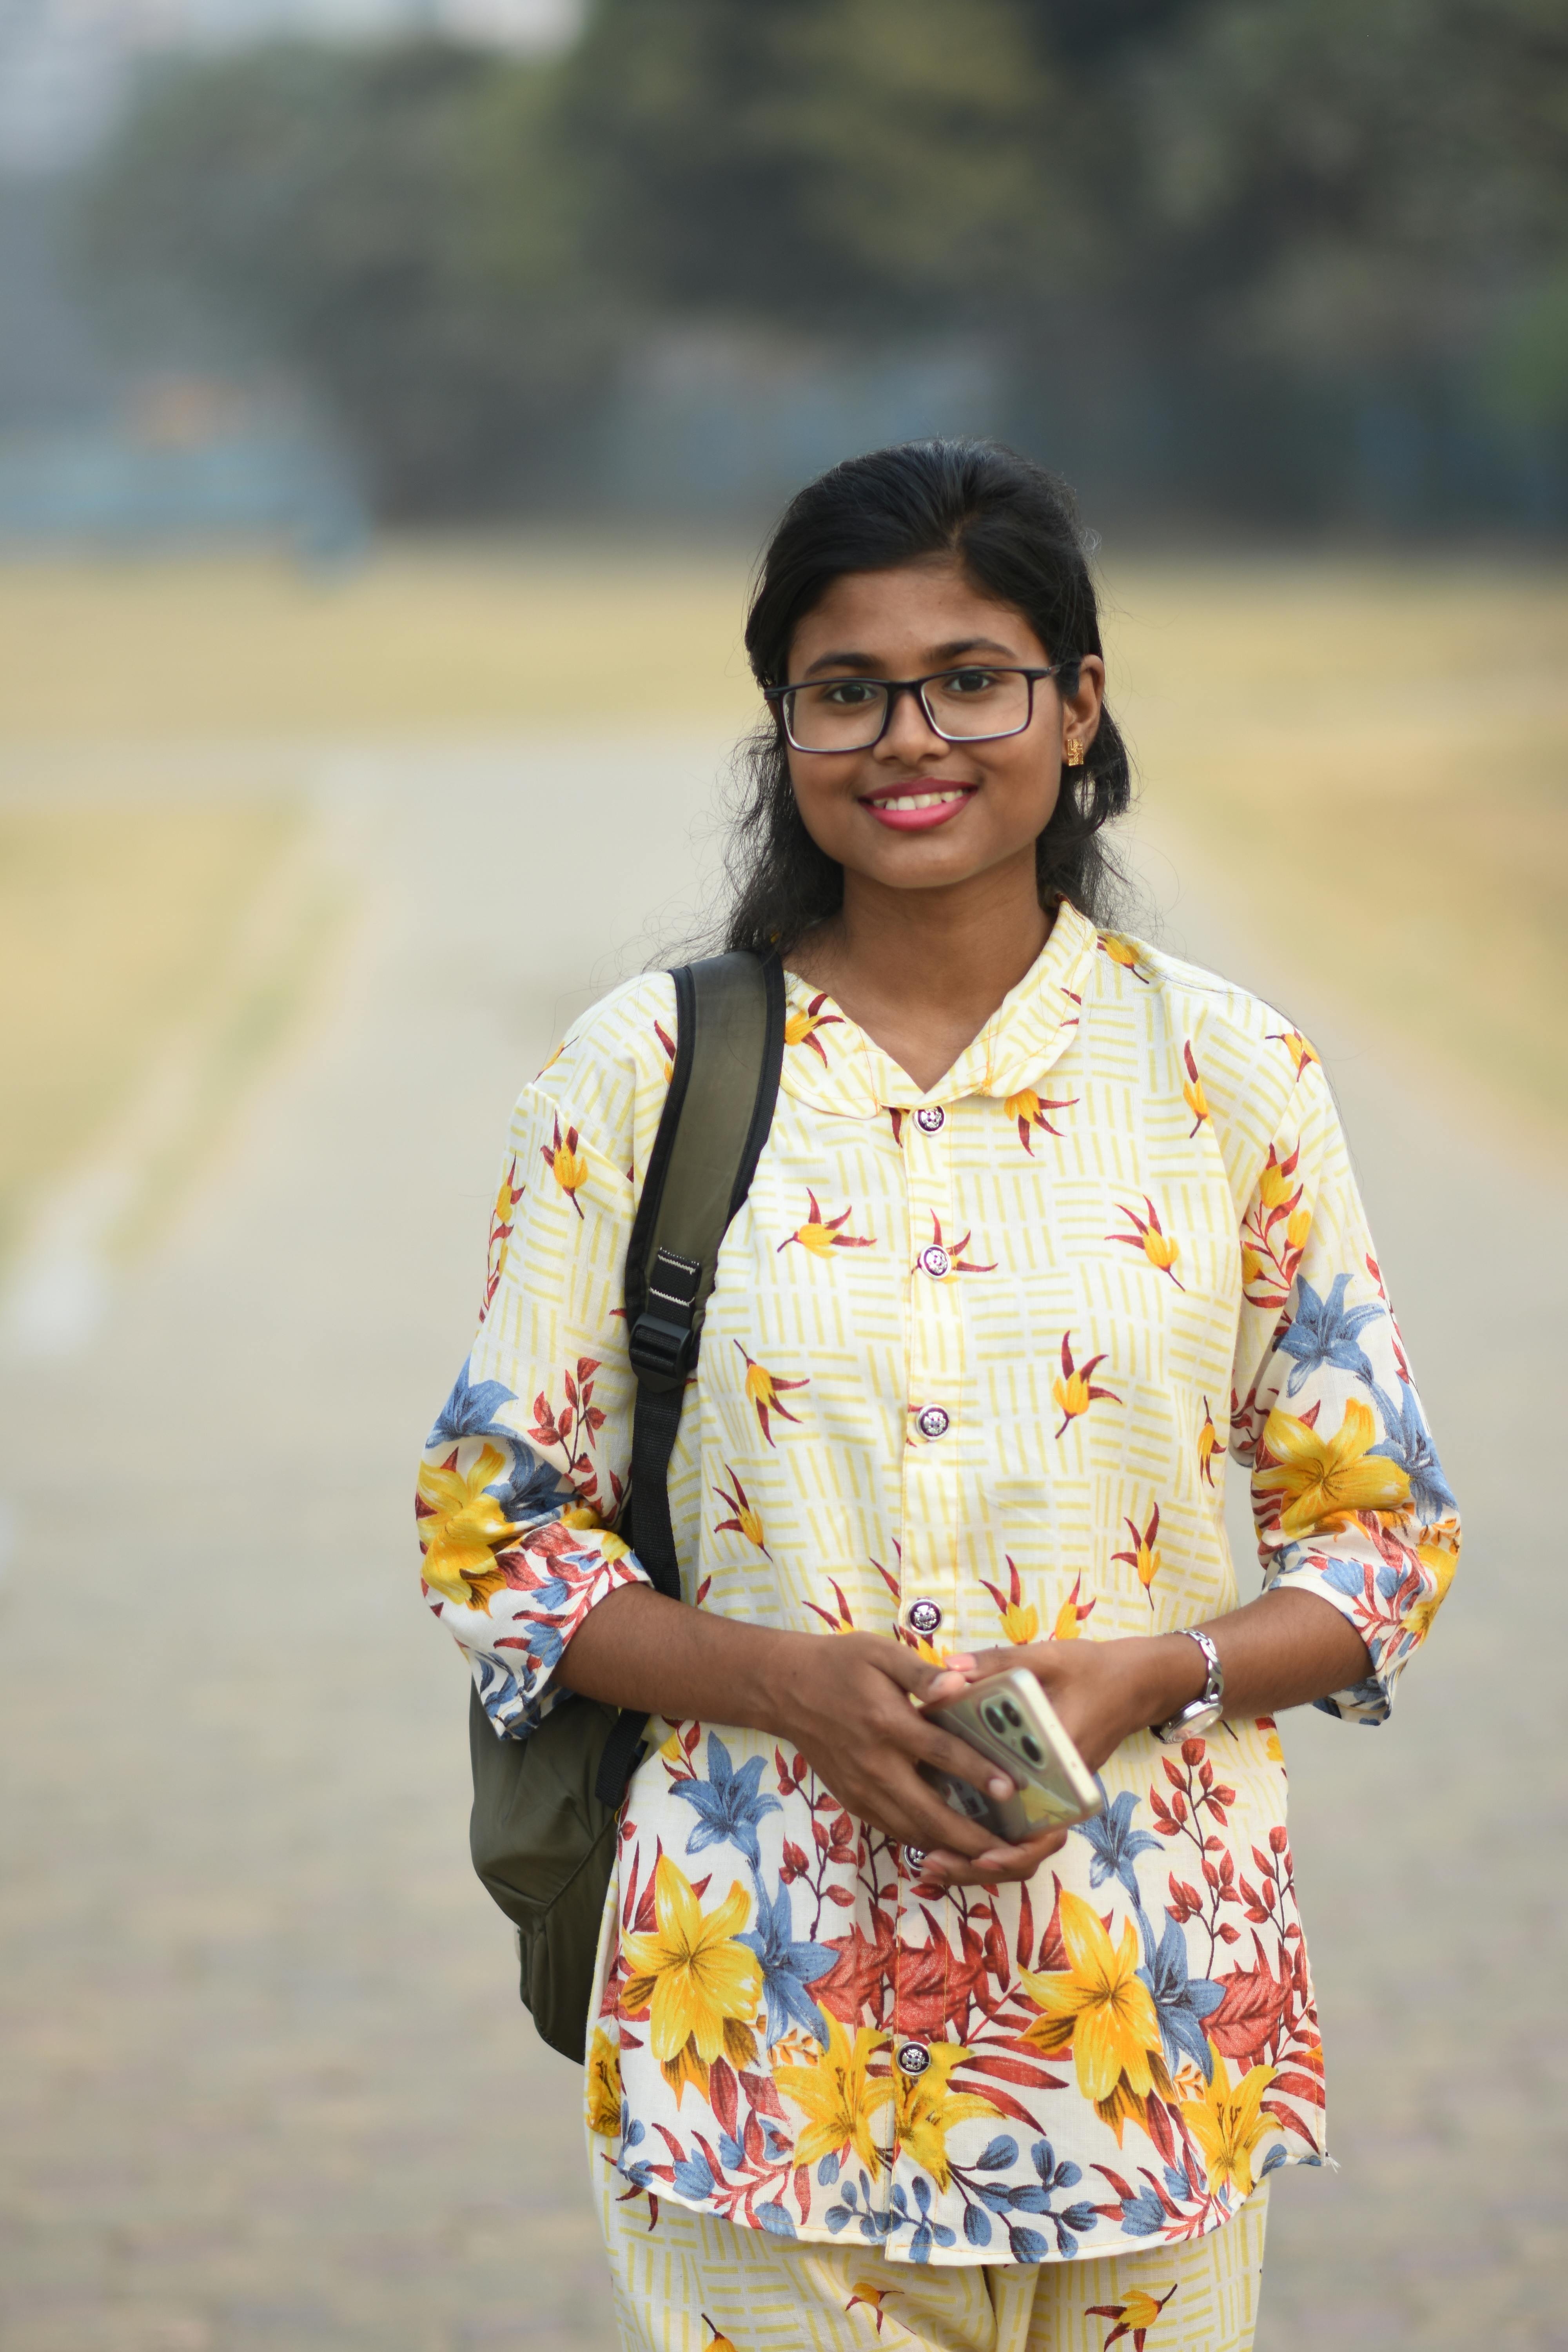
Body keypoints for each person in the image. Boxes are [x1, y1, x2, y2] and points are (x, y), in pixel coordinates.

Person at [416, 440, 1459, 2352]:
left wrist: (1166, 1672)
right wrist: (774, 1682)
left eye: (972, 677)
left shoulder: (1224, 1073)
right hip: (758, 2028)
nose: (912, 736)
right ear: (784, 728)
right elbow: (493, 1532)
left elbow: (1381, 1534)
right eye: (846, 689)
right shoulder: (642, 1076)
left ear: (1076, 706)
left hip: (1145, 2018)